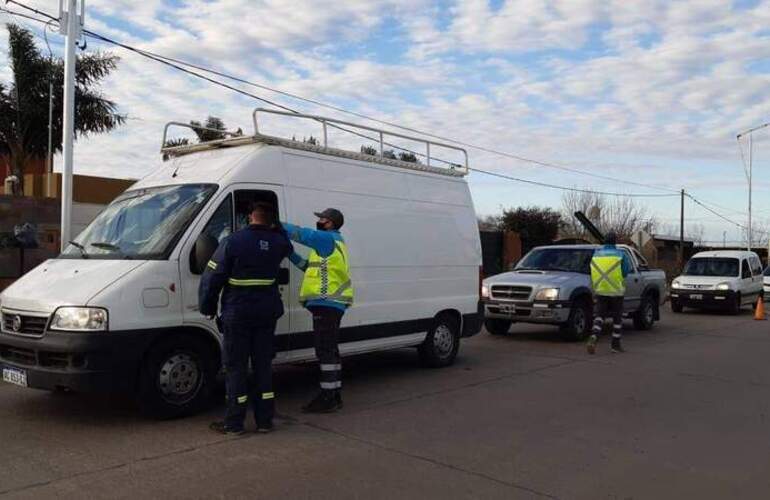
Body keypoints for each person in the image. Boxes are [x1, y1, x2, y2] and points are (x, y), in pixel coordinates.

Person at [199, 202, 293, 435]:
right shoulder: (279, 242)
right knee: (263, 367)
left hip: (238, 313)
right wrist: (277, 228)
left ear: (250, 216)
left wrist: (207, 306)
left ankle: (234, 423)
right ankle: (264, 421)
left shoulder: (232, 241)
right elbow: (287, 245)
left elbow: (212, 277)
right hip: (266, 312)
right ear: (271, 219)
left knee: (236, 368)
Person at [283, 208, 354, 413]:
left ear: (331, 223)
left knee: (325, 350)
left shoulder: (326, 239)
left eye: (323, 218)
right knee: (330, 349)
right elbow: (309, 267)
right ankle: (334, 394)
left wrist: (273, 223)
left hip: (327, 302)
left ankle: (327, 397)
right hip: (330, 303)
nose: (320, 221)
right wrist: (290, 254)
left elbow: (301, 234)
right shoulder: (332, 243)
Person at [587, 232, 632, 354]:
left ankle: (594, 336)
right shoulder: (621, 254)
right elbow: (625, 272)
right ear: (614, 241)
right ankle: (615, 345)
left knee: (600, 316)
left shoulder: (596, 255)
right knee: (617, 319)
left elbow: (591, 270)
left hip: (600, 290)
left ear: (604, 241)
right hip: (616, 291)